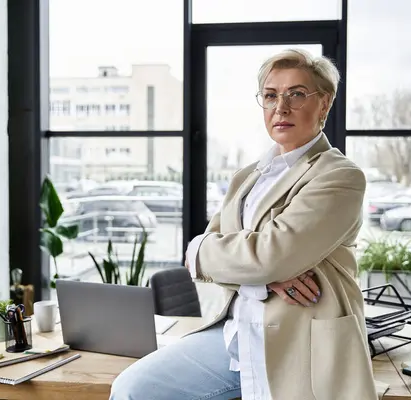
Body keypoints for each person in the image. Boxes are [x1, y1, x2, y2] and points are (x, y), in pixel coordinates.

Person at [109, 49, 378, 400]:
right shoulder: (246, 178)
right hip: (234, 334)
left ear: (324, 104)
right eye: (270, 95)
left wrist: (255, 265)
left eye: (296, 94)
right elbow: (204, 252)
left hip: (301, 343)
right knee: (131, 389)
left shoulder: (340, 177)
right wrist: (259, 271)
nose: (280, 107)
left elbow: (269, 255)